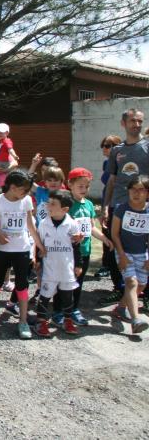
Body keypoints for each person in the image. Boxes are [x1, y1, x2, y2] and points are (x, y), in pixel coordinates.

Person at [0, 170, 45, 340]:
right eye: (24, 190)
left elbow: (30, 225)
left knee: (22, 284)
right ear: (12, 187)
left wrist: (39, 246)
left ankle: (22, 321)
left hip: (22, 250)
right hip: (3, 249)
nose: (27, 193)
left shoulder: (26, 200)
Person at [103, 109, 149, 305]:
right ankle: (119, 288)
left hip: (143, 207)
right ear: (123, 123)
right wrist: (106, 205)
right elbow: (112, 180)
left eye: (139, 121)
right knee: (114, 246)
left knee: (144, 248)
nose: (136, 124)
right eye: (132, 121)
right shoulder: (117, 150)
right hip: (119, 206)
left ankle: (145, 293)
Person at [65, 168, 112, 325]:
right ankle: (62, 309)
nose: (84, 189)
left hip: (84, 251)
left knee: (78, 282)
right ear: (70, 185)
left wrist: (105, 239)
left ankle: (74, 309)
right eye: (80, 186)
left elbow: (91, 227)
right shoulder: (67, 204)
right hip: (68, 251)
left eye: (87, 186)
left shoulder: (90, 204)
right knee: (66, 281)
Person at [34, 189, 83, 337]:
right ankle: (41, 322)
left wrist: (78, 264)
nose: (48, 206)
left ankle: (67, 320)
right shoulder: (44, 224)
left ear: (65, 209)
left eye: (53, 204)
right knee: (45, 295)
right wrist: (38, 261)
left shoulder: (72, 224)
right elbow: (39, 244)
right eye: (48, 203)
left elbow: (76, 246)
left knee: (67, 296)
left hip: (66, 268)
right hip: (50, 267)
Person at [111, 175, 149, 333]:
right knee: (131, 283)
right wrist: (122, 255)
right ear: (128, 191)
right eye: (133, 189)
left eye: (141, 190)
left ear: (147, 192)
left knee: (141, 284)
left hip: (143, 254)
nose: (136, 193)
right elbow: (114, 234)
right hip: (124, 252)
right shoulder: (122, 209)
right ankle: (135, 320)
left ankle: (121, 308)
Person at [95, 134, 122, 279]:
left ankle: (115, 268)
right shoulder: (107, 163)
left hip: (116, 203)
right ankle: (106, 265)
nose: (104, 148)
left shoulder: (121, 163)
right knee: (106, 234)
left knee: (114, 235)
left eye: (107, 145)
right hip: (107, 200)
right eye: (103, 145)